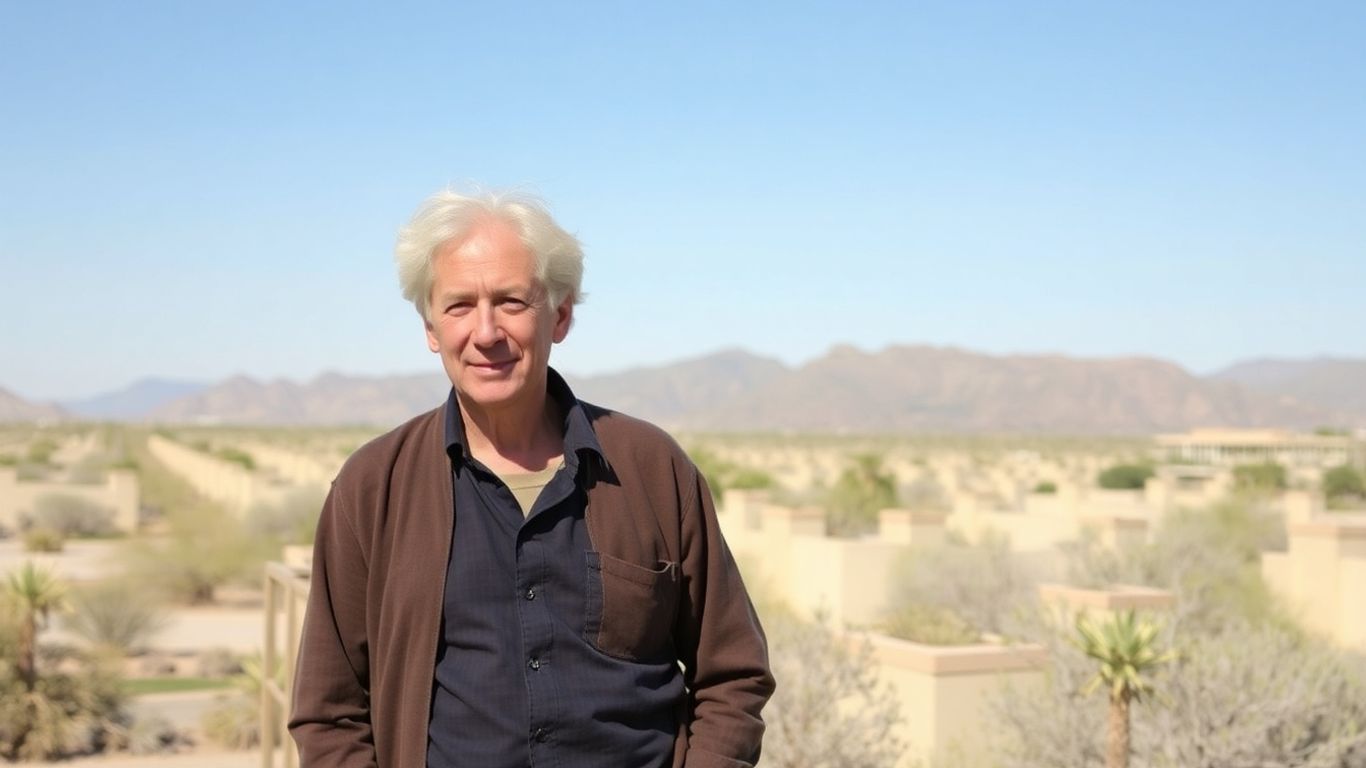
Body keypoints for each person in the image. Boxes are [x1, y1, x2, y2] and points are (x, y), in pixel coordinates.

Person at [288, 188, 775, 768]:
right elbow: (328, 712)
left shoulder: (651, 469)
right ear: (429, 328)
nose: (486, 331)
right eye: (459, 305)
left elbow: (732, 675)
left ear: (560, 315)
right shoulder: (373, 487)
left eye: (512, 302)